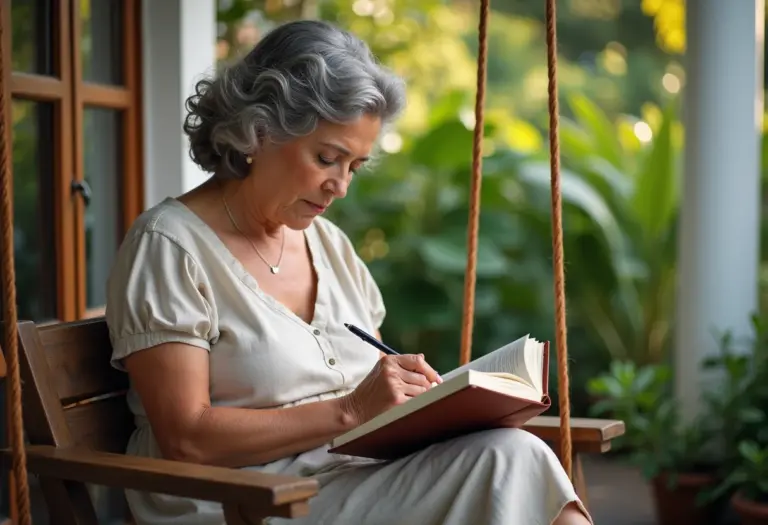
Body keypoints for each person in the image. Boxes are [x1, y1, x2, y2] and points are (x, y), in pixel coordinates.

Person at [105, 19, 592, 525]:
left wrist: (419, 405)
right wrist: (353, 411)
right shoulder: (169, 246)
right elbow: (186, 439)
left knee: (508, 452)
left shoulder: (328, 245)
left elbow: (373, 400)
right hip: (243, 500)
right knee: (513, 463)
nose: (340, 186)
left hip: (344, 478)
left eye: (354, 167)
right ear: (260, 130)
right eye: (327, 158)